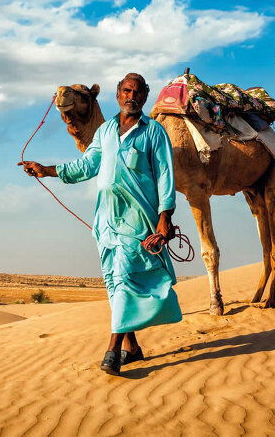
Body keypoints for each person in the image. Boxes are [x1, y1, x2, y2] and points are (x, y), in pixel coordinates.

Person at [19, 73, 182, 376]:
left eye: (137, 92)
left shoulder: (154, 132)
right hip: (106, 219)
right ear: (118, 95)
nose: (131, 96)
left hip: (137, 218)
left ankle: (112, 351)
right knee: (114, 281)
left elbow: (165, 176)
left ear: (144, 97)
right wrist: (47, 170)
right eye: (126, 90)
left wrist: (165, 219)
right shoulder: (105, 132)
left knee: (123, 275)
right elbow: (87, 165)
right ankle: (132, 347)